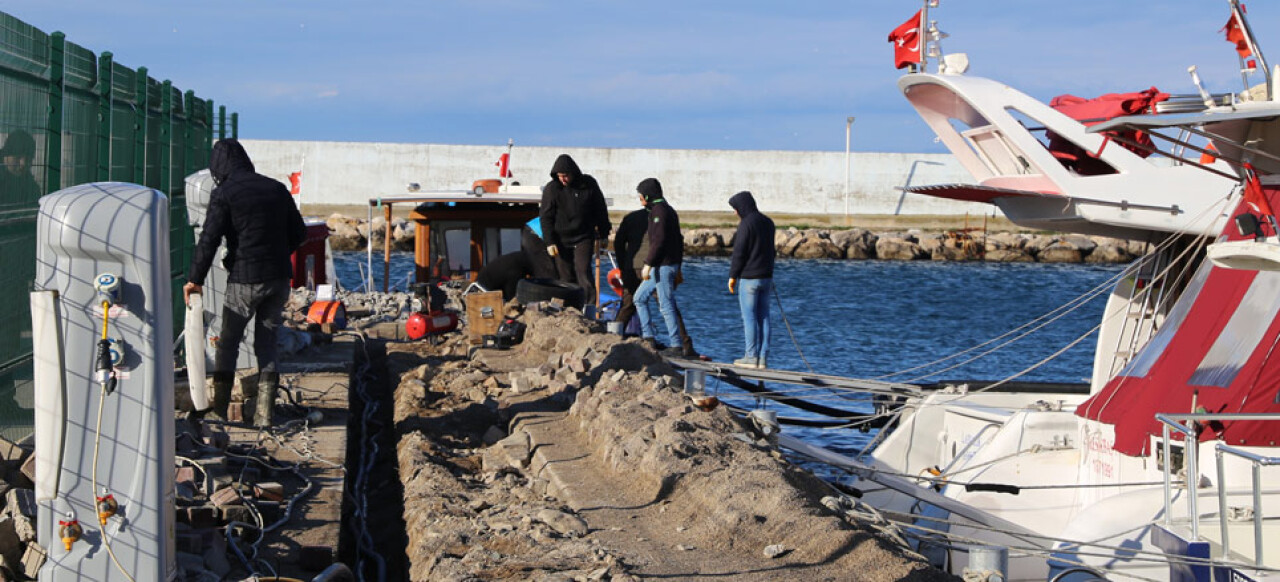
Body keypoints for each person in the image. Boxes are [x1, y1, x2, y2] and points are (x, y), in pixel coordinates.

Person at [184, 138, 307, 427]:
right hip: (278, 279)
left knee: (228, 343)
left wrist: (194, 279)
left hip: (244, 279)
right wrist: (276, 254)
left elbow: (209, 239)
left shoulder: (224, 193)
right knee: (267, 343)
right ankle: (265, 415)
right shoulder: (276, 188)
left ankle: (220, 411)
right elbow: (300, 234)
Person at [613, 193, 696, 357]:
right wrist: (677, 266)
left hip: (642, 266)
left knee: (629, 304)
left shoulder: (635, 217)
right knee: (663, 303)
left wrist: (624, 266)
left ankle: (614, 338)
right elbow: (675, 241)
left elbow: (619, 242)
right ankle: (682, 344)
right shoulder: (666, 214)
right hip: (653, 265)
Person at [540, 154, 610, 305]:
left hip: (583, 236)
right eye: (559, 176)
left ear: (573, 173)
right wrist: (549, 242)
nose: (563, 180)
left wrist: (604, 233)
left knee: (583, 271)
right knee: (565, 277)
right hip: (560, 240)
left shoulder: (588, 184)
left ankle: (589, 308)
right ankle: (568, 310)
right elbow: (545, 217)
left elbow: (600, 209)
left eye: (565, 176)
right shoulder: (552, 189)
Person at [631, 178, 685, 357]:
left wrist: (648, 263)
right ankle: (648, 337)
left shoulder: (660, 212)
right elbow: (679, 240)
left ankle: (676, 345)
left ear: (648, 195)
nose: (640, 200)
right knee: (639, 298)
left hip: (663, 265)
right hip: (663, 264)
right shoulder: (665, 210)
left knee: (665, 304)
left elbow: (659, 241)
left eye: (640, 196)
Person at [727, 191, 775, 369]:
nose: (735, 213)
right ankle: (762, 358)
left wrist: (733, 275)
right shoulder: (768, 222)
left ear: (742, 207)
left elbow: (739, 252)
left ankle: (750, 357)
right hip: (766, 277)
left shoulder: (746, 224)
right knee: (764, 318)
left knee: (749, 318)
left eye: (735, 209)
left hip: (749, 279)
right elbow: (771, 251)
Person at [0, 129, 41, 203]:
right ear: (5, 156)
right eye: (18, 157)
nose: (23, 163)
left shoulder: (31, 187)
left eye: (28, 158)